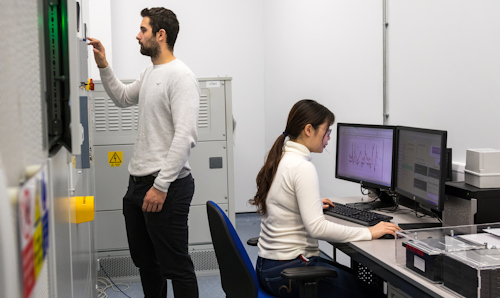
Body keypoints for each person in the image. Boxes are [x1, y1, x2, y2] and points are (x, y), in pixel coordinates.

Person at [88, 7, 199, 298]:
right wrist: (103, 65)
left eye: (143, 30)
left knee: (176, 266)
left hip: (168, 187)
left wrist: (161, 186)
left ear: (160, 35)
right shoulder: (150, 72)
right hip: (137, 185)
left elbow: (184, 137)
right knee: (147, 265)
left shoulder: (181, 77)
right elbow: (123, 98)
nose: (137, 35)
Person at [250, 99, 401, 298]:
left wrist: (308, 204)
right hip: (289, 273)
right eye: (326, 131)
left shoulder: (282, 157)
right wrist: (369, 232)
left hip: (270, 268)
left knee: (358, 280)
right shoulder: (302, 167)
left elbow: (280, 201)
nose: (328, 138)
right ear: (308, 130)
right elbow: (317, 228)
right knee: (375, 295)